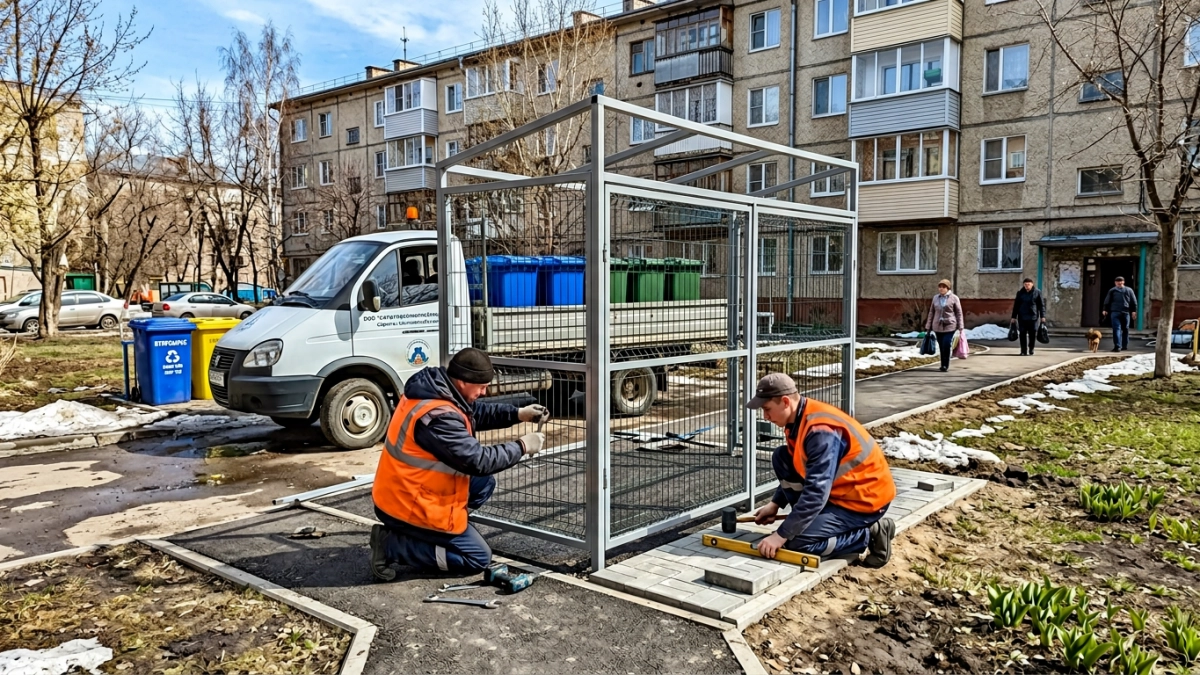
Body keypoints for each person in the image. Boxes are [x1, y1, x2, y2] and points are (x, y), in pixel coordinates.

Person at [369, 348, 549, 580]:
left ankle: (436, 534)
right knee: (476, 558)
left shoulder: (435, 391)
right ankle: (391, 546)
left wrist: (518, 414)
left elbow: (474, 413)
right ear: (463, 381)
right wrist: (522, 446)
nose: (484, 392)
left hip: (404, 489)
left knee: (483, 484)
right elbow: (478, 461)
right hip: (406, 504)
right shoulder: (437, 417)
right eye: (481, 387)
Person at [746, 374, 897, 567]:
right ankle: (810, 523)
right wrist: (775, 504)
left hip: (864, 502)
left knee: (797, 544)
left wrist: (782, 534)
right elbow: (800, 466)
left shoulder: (820, 431)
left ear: (785, 402)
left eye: (767, 409)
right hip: (840, 493)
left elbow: (816, 492)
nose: (765, 416)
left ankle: (869, 532)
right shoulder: (797, 420)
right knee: (781, 457)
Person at [924, 279, 964, 372]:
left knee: (946, 344)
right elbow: (931, 312)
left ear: (948, 288)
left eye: (943, 287)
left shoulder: (954, 298)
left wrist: (960, 326)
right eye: (940, 287)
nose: (941, 289)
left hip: (950, 325)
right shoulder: (935, 298)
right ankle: (942, 364)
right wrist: (928, 326)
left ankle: (946, 365)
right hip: (937, 326)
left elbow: (959, 313)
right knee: (941, 346)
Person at [1010, 278, 1046, 356]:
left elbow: (1041, 305)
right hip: (1022, 317)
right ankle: (1023, 350)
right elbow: (1016, 306)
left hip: (1033, 317)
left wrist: (1042, 316)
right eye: (1025, 284)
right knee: (1022, 334)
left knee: (1032, 334)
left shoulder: (1037, 292)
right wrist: (1013, 317)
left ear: (1032, 284)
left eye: (1028, 284)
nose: (1027, 286)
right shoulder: (1020, 293)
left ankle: (1031, 349)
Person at [1102, 277, 1137, 353]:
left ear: (1123, 282)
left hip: (1126, 312)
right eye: (1117, 281)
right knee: (1116, 329)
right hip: (1115, 312)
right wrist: (1105, 309)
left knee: (1125, 329)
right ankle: (1117, 346)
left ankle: (1124, 345)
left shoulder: (1129, 290)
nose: (1119, 283)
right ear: (1115, 283)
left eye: (1121, 281)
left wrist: (1134, 311)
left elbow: (1133, 301)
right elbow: (1107, 300)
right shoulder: (1112, 291)